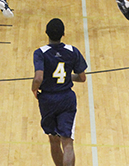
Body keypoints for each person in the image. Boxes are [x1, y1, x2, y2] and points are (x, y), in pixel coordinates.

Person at [31, 18, 87, 166]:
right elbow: (82, 78)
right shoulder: (72, 51)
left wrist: (34, 88)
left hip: (47, 100)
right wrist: (69, 76)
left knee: (53, 140)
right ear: (64, 34)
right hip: (66, 99)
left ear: (46, 33)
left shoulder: (40, 53)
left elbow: (38, 77)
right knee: (67, 142)